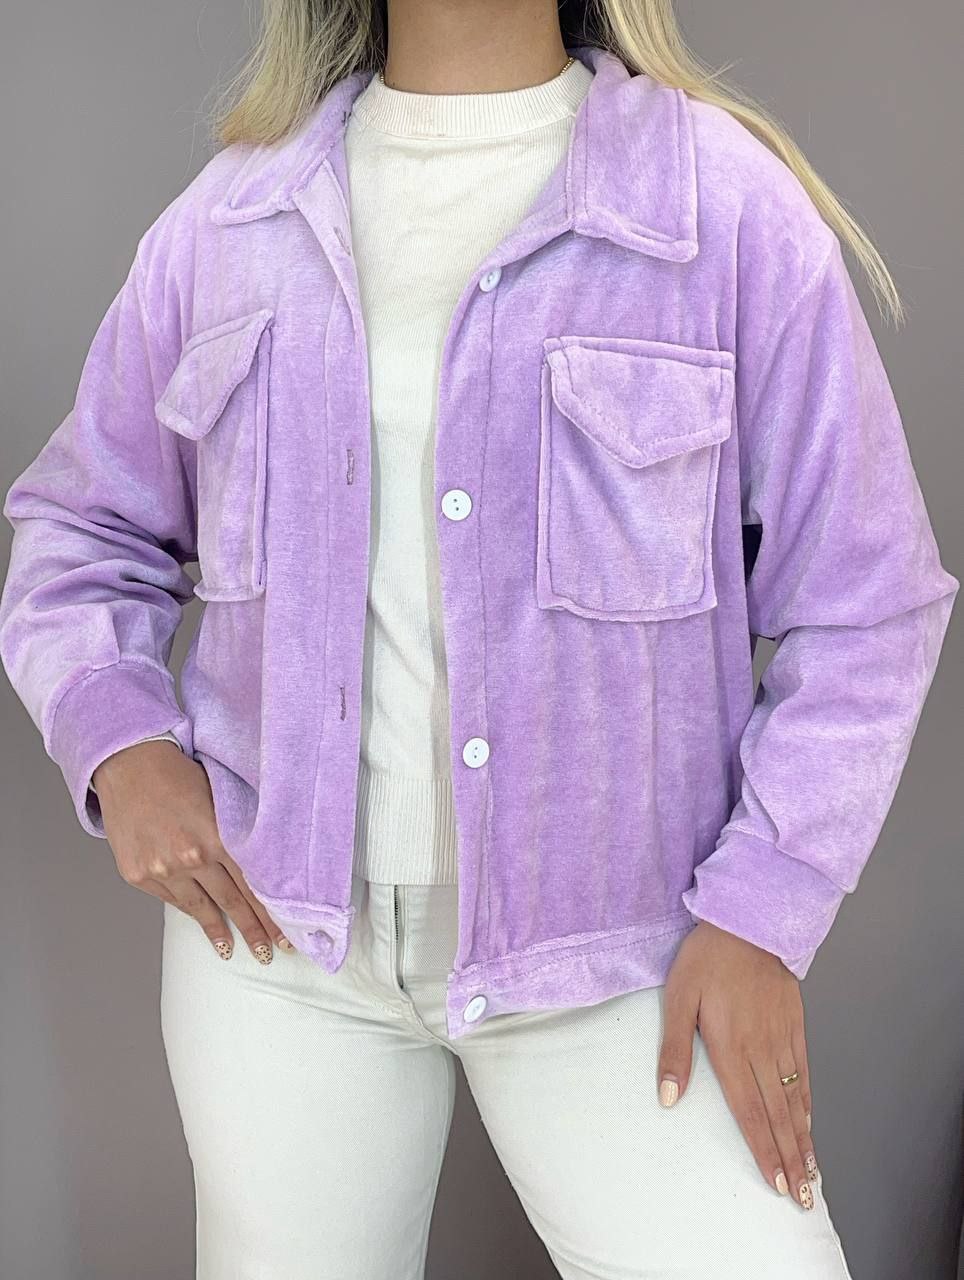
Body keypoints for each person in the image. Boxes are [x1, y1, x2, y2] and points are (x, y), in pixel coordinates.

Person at [0, 2, 958, 1277]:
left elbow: (869, 598)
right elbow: (77, 528)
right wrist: (121, 744)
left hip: (626, 953)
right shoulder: (228, 224)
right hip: (276, 951)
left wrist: (761, 914)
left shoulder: (717, 207)